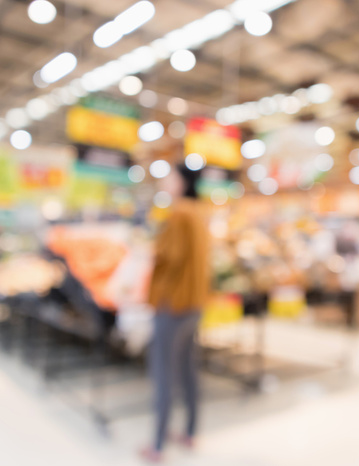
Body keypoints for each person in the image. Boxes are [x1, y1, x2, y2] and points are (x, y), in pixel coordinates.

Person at [140, 164, 210, 463]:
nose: (164, 181)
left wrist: (149, 251)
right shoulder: (199, 213)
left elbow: (170, 256)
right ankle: (190, 431)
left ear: (181, 181)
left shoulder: (178, 214)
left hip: (173, 304)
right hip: (194, 304)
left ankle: (157, 444)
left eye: (169, 176)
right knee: (188, 369)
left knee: (164, 372)